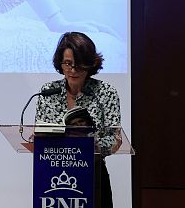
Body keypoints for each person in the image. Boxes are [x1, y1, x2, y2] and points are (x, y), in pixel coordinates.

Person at [35, 32, 121, 208]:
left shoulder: (106, 92)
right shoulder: (48, 91)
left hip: (93, 174)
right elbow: (39, 133)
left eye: (79, 64)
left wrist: (90, 145)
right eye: (68, 63)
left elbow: (115, 139)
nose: (73, 70)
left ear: (90, 63)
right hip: (52, 173)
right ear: (60, 63)